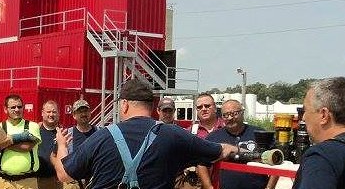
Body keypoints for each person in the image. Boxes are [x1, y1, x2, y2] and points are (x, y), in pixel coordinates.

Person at [52, 79, 238, 189]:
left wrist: (62, 144)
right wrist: (234, 147)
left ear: (124, 104)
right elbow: (219, 151)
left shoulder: (101, 136)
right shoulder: (175, 135)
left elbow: (63, 175)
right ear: (152, 107)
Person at [200, 100, 277, 189]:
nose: (229, 118)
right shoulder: (213, 138)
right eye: (225, 115)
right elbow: (202, 163)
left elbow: (276, 162)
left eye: (234, 113)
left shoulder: (260, 134)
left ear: (242, 113)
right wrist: (208, 186)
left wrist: (269, 187)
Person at [0, 94, 42, 189]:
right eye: (13, 107)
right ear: (6, 109)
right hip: (3, 180)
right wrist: (19, 139)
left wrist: (5, 141)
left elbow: (27, 147)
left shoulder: (32, 126)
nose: (17, 110)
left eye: (19, 106)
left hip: (28, 181)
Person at [187, 93, 224, 188]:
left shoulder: (226, 127)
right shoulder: (190, 132)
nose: (203, 109)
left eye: (207, 106)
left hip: (223, 181)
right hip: (197, 183)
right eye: (199, 107)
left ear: (215, 108)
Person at [63, 99, 98, 189]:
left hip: (95, 181)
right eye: (80, 112)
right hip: (74, 183)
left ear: (90, 113)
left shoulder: (99, 132)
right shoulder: (68, 134)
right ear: (74, 115)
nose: (83, 114)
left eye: (85, 111)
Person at [37, 100, 61, 189]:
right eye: (48, 112)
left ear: (58, 114)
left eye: (54, 112)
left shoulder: (63, 133)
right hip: (38, 180)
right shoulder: (35, 131)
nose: (51, 115)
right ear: (42, 113)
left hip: (58, 181)